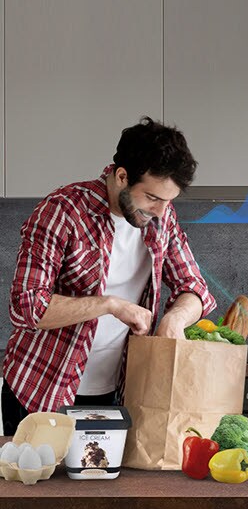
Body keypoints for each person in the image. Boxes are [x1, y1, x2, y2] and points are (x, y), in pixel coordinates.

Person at [1, 116, 216, 435]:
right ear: (121, 176)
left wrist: (176, 318)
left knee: (103, 487)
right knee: (45, 484)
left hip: (114, 395)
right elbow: (26, 306)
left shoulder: (161, 217)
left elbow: (194, 289)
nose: (160, 211)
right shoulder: (62, 211)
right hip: (41, 392)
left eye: (168, 201)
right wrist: (111, 305)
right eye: (153, 197)